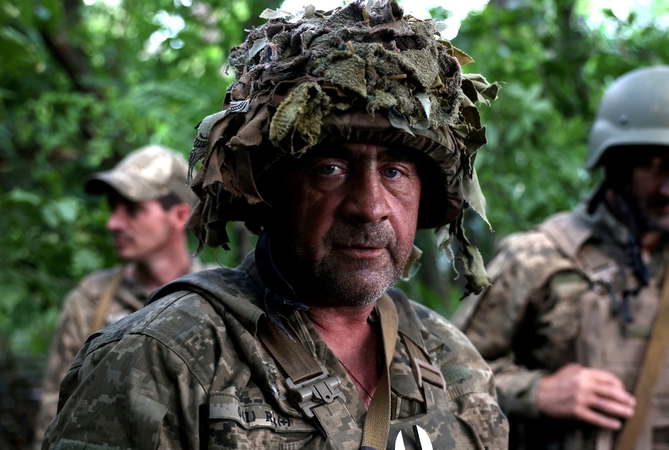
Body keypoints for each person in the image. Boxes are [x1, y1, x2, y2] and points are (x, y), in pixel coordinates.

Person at [42, 2, 508, 449]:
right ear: (274, 190)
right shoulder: (163, 359)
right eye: (330, 169)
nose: (369, 207)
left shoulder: (451, 360)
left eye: (394, 172)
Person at [454, 66, 669, 449]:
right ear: (617, 163)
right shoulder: (539, 256)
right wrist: (537, 392)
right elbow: (451, 369)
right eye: (655, 164)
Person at [33, 145, 205, 449]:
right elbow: (54, 415)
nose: (113, 223)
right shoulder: (90, 300)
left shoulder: (217, 302)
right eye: (113, 208)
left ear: (180, 215)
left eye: (133, 210)